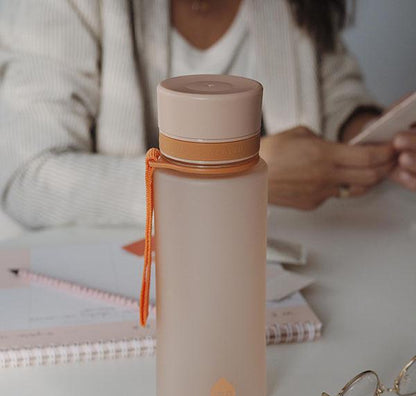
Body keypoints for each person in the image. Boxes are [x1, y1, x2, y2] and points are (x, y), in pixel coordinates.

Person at [0, 0, 414, 228]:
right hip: (113, 283)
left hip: (267, 264)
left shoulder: (293, 7)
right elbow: (27, 179)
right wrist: (234, 180)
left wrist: (367, 132)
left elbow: (333, 87)